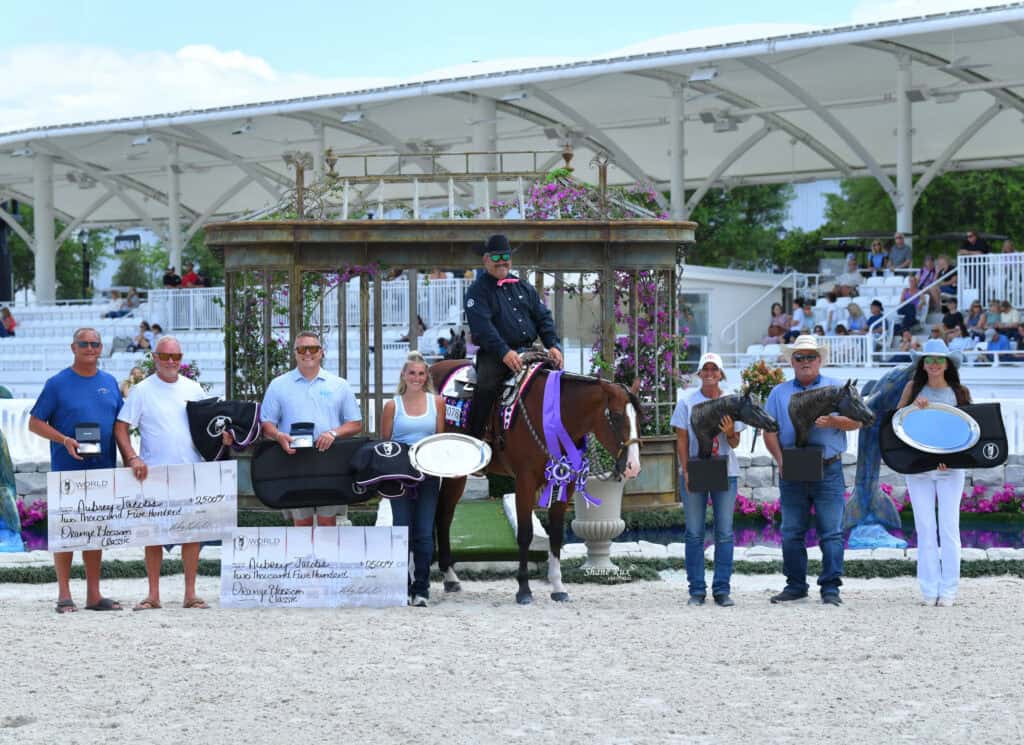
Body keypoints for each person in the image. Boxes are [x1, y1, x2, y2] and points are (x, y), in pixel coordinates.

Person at [28, 328, 130, 613]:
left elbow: (120, 426)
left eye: (95, 343)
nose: (89, 347)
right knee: (66, 531)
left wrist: (128, 460)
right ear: (73, 347)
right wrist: (64, 439)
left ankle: (94, 595)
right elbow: (34, 423)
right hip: (67, 469)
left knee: (95, 530)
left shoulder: (110, 383)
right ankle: (64, 594)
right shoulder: (57, 384)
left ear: (101, 348)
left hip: (103, 469)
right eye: (84, 343)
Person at [763, 335, 865, 606]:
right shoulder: (778, 393)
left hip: (829, 468)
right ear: (791, 361)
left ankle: (830, 587)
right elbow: (769, 431)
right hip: (793, 468)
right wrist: (780, 460)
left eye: (810, 357)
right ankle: (796, 585)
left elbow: (856, 421)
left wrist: (834, 421)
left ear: (820, 360)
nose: (805, 361)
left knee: (831, 531)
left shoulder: (837, 387)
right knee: (791, 531)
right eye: (800, 357)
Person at [114, 336, 212, 610]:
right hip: (153, 473)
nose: (171, 361)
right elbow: (121, 427)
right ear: (155, 358)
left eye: (176, 357)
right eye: (166, 356)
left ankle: (190, 594)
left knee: (192, 534)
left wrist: (223, 440)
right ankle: (153, 595)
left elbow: (208, 427)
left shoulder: (194, 389)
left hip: (190, 470)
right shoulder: (142, 390)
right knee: (152, 535)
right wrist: (132, 457)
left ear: (182, 359)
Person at [464, 234, 563, 440]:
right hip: (496, 355)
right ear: (486, 259)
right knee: (487, 386)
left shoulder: (524, 286)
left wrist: (553, 345)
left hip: (529, 351)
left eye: (506, 256)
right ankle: (475, 439)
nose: (502, 261)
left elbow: (543, 316)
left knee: (558, 382)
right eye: (496, 256)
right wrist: (504, 352)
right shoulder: (477, 291)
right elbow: (483, 328)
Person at [260, 330, 362, 526]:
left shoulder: (339, 385)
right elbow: (266, 424)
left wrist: (333, 433)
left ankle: (329, 558)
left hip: (329, 461)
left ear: (322, 352)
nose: (308, 353)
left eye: (313, 348)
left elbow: (355, 423)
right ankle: (303, 558)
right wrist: (279, 435)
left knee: (328, 521)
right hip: (294, 461)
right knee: (302, 523)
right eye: (302, 348)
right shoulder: (278, 385)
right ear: (295, 353)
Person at [897, 340, 971, 606]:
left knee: (949, 527)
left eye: (939, 359)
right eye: (929, 360)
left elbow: (969, 432)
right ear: (923, 364)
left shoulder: (960, 392)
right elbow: (897, 424)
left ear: (948, 363)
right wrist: (912, 409)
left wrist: (951, 459)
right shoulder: (912, 389)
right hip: (918, 467)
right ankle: (929, 590)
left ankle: (949, 590)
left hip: (950, 468)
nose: (935, 364)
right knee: (925, 527)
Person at [671, 352, 744, 607]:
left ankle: (722, 589)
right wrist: (685, 470)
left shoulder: (732, 401)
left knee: (724, 532)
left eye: (715, 369)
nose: (710, 373)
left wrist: (730, 431)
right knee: (694, 533)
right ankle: (697, 590)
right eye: (706, 369)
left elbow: (735, 443)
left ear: (721, 373)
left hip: (725, 469)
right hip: (696, 467)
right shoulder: (687, 402)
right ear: (700, 373)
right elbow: (681, 439)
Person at [380, 352, 445, 607]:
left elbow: (440, 439)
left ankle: (422, 588)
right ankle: (403, 585)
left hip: (428, 473)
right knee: (402, 529)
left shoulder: (437, 403)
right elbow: (385, 444)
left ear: (426, 376)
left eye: (421, 373)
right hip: (399, 475)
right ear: (403, 376)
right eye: (412, 373)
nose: (416, 377)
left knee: (424, 532)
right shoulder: (392, 406)